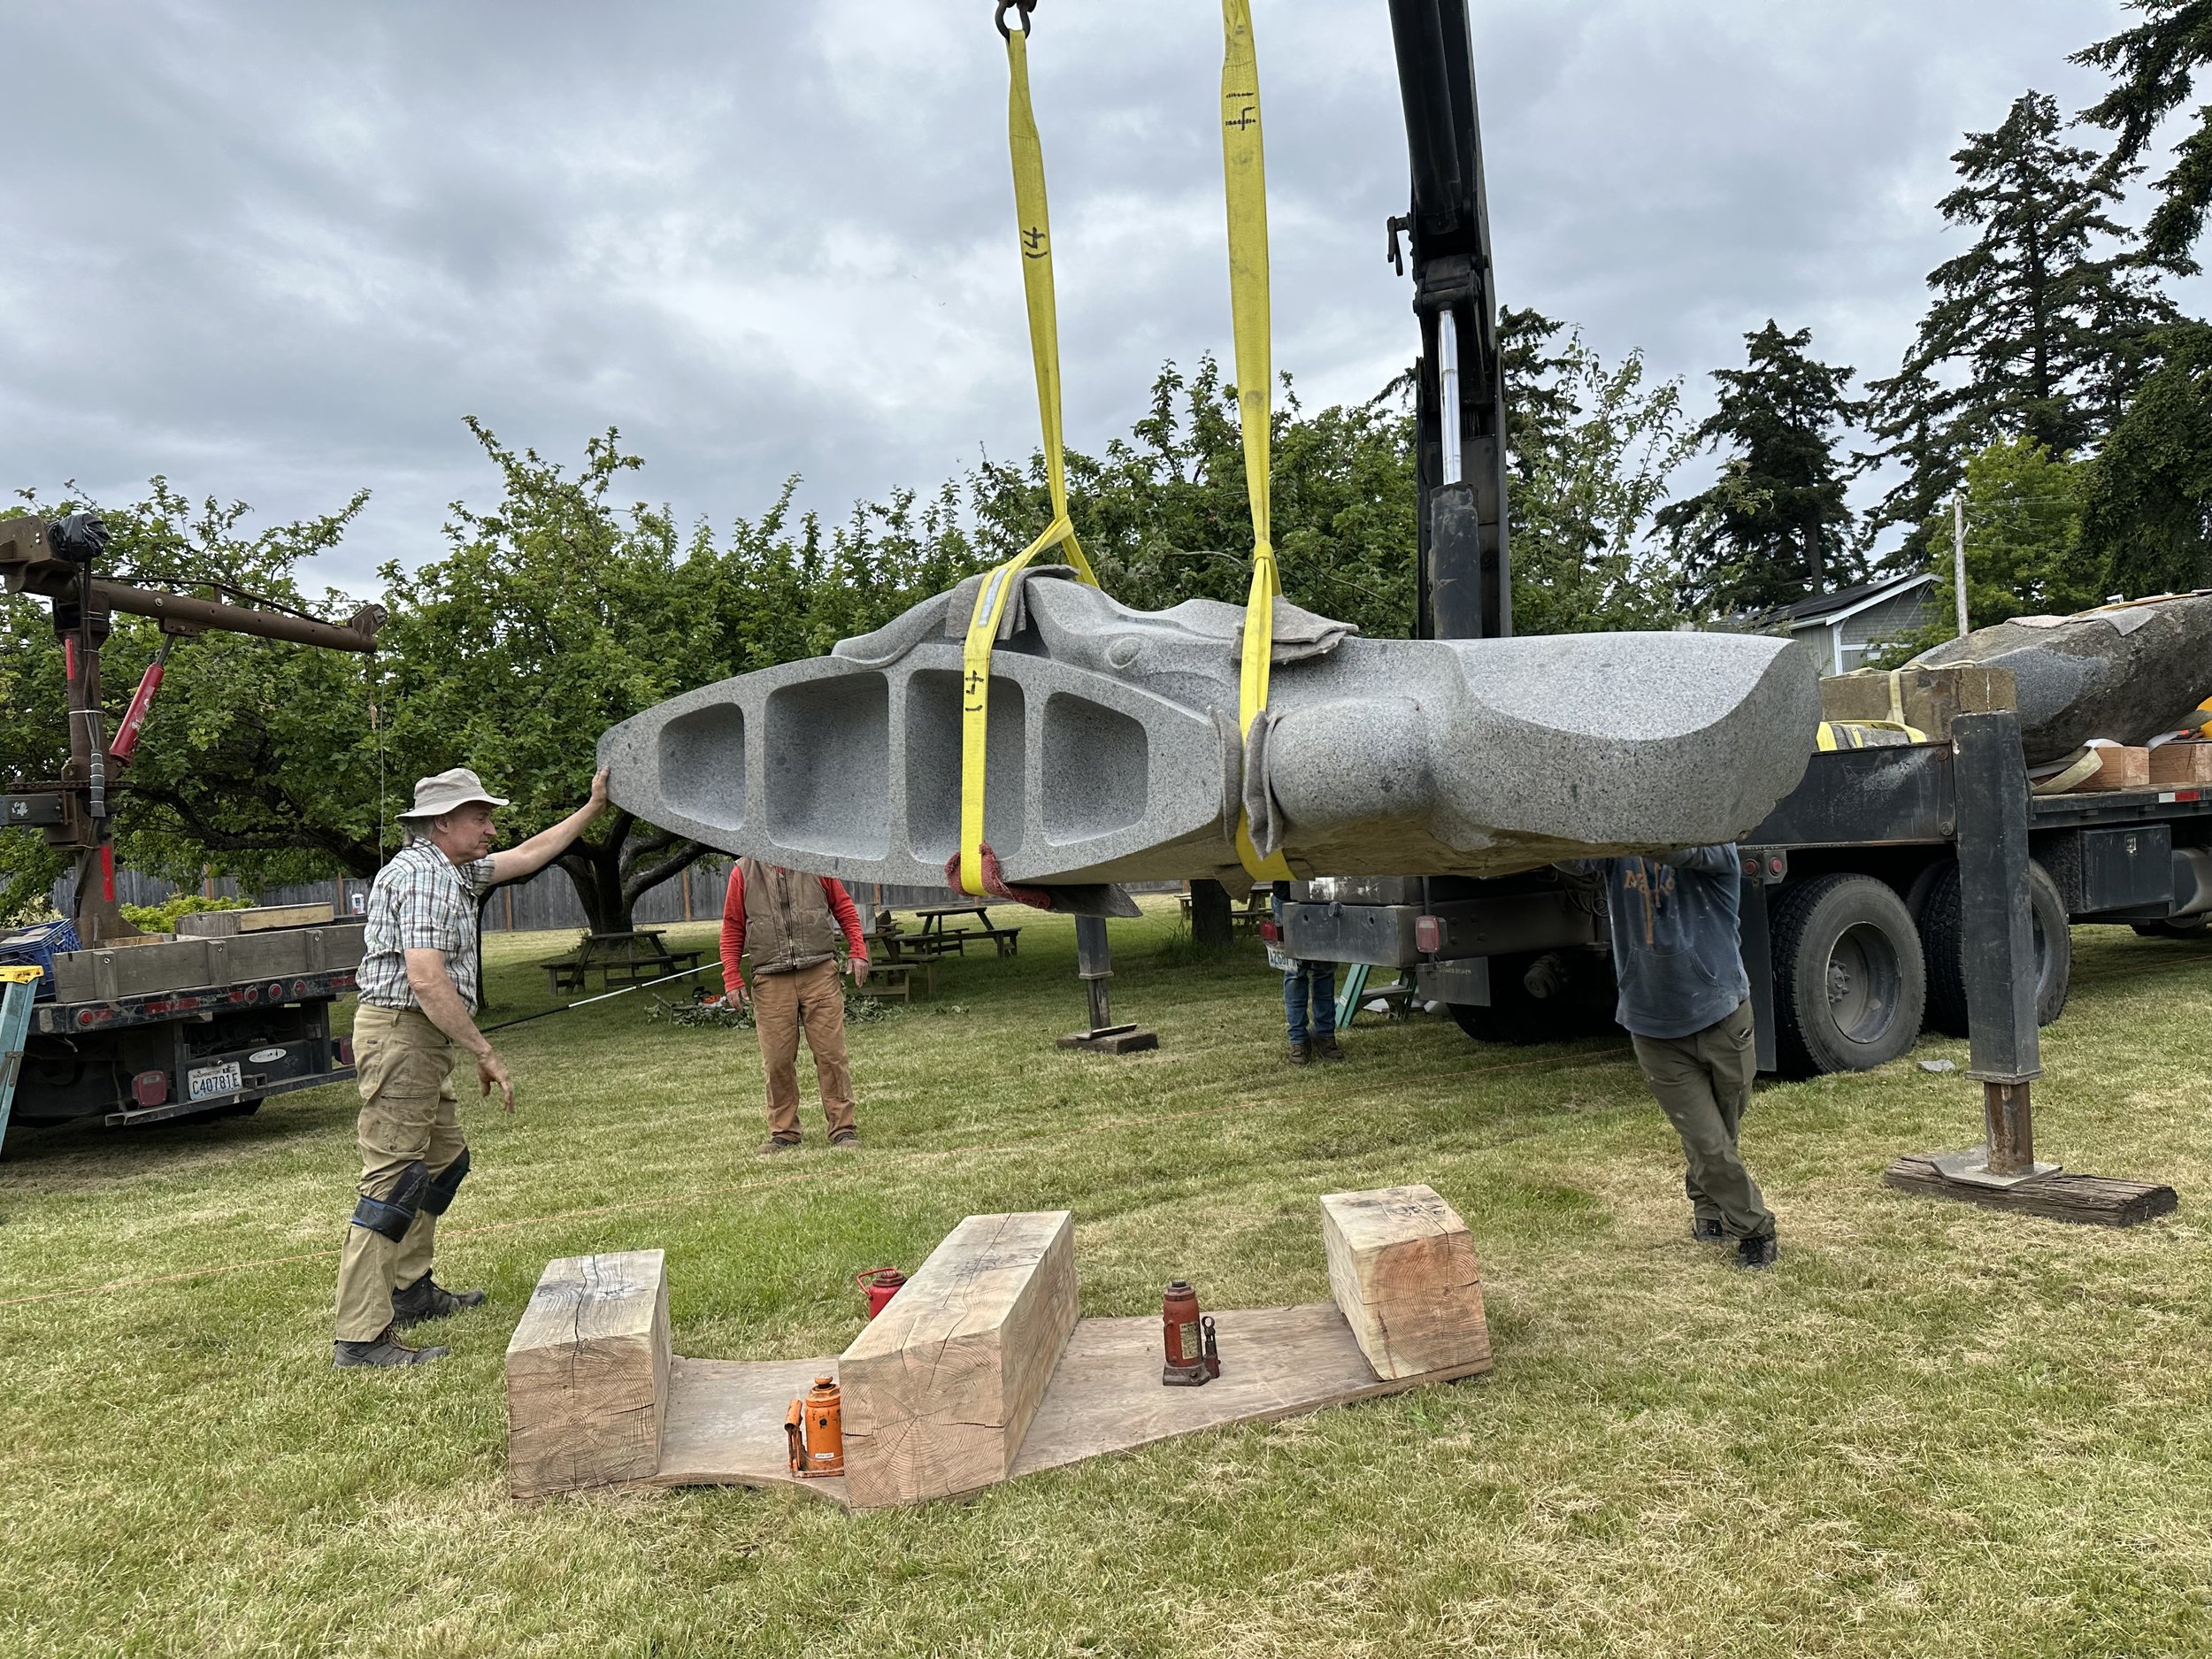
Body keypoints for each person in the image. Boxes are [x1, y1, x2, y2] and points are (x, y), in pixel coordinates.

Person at [333, 765, 609, 1370]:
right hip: (402, 1036)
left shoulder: (452, 869)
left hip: (421, 1040)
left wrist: (593, 806)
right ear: (442, 822)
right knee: (391, 1183)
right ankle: (359, 1338)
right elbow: (427, 978)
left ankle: (411, 1289)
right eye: (479, 816)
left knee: (442, 1162)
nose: (491, 826)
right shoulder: (424, 877)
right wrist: (485, 1051)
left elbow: (531, 853)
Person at [1564, 844, 1777, 1270]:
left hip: (1723, 1018)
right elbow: (1567, 854)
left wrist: (1636, 818)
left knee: (1722, 1130)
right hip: (1654, 1028)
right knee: (1707, 1140)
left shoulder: (1716, 849)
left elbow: (1688, 851)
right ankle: (1756, 1229)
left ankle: (1706, 1210)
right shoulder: (1613, 852)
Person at [718, 858, 871, 1153]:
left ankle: (843, 1129)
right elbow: (732, 926)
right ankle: (784, 1132)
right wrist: (731, 976)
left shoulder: (814, 861)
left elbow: (845, 908)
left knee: (831, 1055)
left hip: (819, 971)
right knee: (776, 1060)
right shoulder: (743, 871)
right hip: (769, 978)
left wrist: (858, 950)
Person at [1267, 883, 1341, 1064]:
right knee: (1294, 974)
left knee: (1324, 971)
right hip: (1286, 897)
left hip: (1324, 897)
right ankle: (1298, 1041)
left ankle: (1324, 1035)